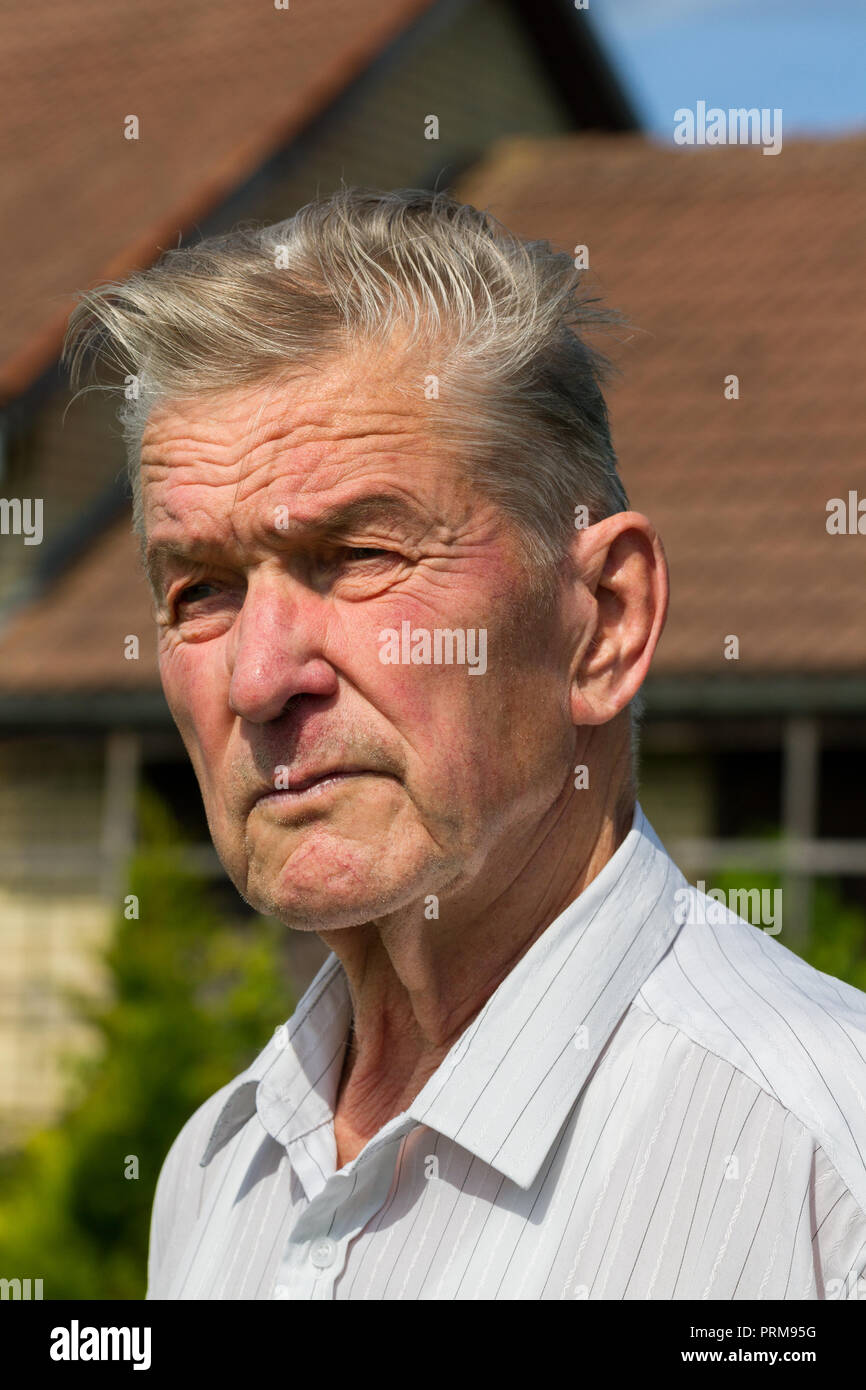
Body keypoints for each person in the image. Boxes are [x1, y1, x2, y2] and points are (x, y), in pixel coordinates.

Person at [64, 187, 866, 1300]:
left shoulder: (821, 1162)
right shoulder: (220, 1163)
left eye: (355, 556)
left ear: (601, 624)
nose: (258, 679)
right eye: (200, 589)